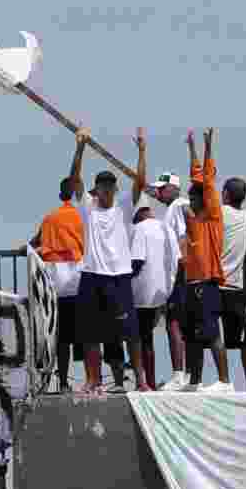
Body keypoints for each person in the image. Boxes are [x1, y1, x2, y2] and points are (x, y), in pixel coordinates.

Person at [68, 127, 152, 393]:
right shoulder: (88, 210)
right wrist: (79, 147)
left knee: (131, 333)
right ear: (96, 190)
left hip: (119, 277)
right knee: (90, 333)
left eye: (109, 186)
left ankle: (141, 380)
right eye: (101, 186)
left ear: (115, 189)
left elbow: (139, 182)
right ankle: (92, 380)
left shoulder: (124, 207)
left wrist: (141, 150)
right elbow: (74, 180)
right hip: (92, 275)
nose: (105, 190)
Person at [180, 128, 231, 392]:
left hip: (207, 284)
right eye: (189, 196)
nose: (190, 200)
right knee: (192, 337)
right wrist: (191, 149)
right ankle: (194, 381)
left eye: (194, 196)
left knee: (213, 335)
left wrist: (206, 146)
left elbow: (206, 180)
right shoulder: (193, 220)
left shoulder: (212, 216)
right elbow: (197, 177)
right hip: (191, 284)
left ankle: (224, 381)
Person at [30, 177, 85, 392]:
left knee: (61, 338)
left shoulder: (50, 218)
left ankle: (62, 382)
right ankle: (93, 380)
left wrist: (23, 248)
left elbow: (35, 242)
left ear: (61, 194)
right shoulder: (83, 216)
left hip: (55, 283)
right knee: (87, 335)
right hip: (79, 280)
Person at [129, 205, 180, 387]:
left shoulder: (139, 229)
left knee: (141, 339)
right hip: (166, 290)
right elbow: (178, 260)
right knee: (152, 337)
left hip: (142, 293)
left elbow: (137, 261)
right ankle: (154, 380)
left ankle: (145, 383)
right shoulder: (168, 229)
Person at [151, 171, 190, 390]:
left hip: (180, 273)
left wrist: (179, 273)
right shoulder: (177, 206)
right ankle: (186, 374)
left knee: (173, 322)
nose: (158, 193)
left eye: (162, 189)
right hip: (183, 272)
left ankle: (178, 374)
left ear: (173, 188)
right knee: (180, 323)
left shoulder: (177, 206)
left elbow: (182, 238)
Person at [220, 176, 246, 389]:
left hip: (216, 284)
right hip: (240, 287)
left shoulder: (217, 213)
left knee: (215, 337)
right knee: (245, 340)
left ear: (225, 194)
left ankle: (223, 381)